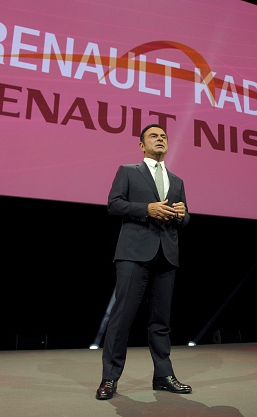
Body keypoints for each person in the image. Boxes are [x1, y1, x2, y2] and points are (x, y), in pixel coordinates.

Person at [96, 123, 192, 400]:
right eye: (154, 136)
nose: (160, 139)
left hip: (167, 254)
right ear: (142, 145)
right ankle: (109, 379)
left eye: (163, 136)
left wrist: (182, 214)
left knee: (161, 321)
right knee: (122, 318)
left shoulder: (177, 181)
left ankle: (163, 375)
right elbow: (114, 204)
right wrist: (146, 209)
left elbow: (184, 219)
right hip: (134, 253)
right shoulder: (128, 171)